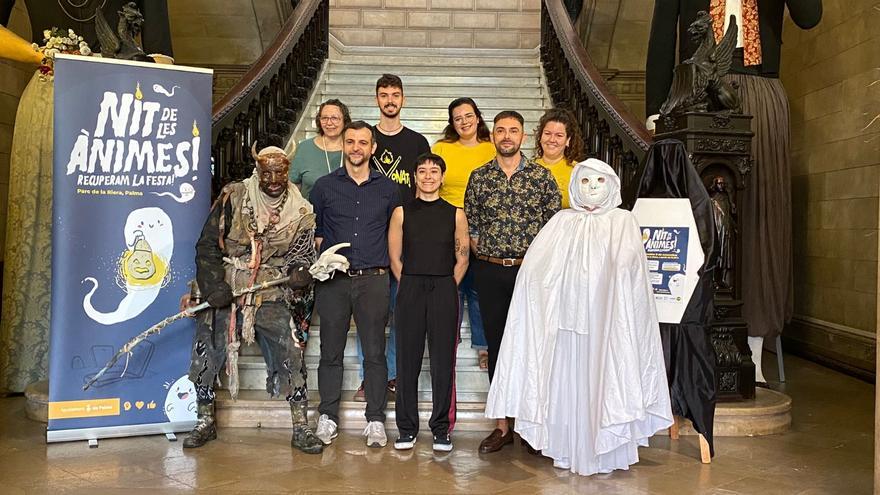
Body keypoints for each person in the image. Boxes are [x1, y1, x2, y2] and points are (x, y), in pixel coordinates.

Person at [646, 0, 823, 382]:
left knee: (761, 217)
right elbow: (662, 37)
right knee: (699, 222)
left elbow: (810, 17)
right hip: (697, 92)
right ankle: (689, 347)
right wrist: (654, 107)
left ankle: (754, 350)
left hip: (761, 91)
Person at [485, 158, 674, 475]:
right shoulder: (561, 221)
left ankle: (605, 449)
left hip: (607, 324)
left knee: (604, 378)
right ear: (574, 186)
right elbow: (536, 270)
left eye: (599, 181)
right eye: (585, 181)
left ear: (611, 185)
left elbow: (629, 267)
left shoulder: (622, 222)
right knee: (569, 382)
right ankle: (568, 447)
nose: (592, 188)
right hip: (566, 326)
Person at [184, 144, 324, 455]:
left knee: (290, 349)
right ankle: (204, 419)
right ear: (257, 171)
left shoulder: (302, 210)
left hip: (270, 289)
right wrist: (211, 286)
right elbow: (207, 246)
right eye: (267, 172)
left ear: (288, 171)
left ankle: (301, 427)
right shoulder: (234, 195)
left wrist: (300, 272)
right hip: (228, 284)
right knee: (207, 349)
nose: (274, 178)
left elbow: (301, 255)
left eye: (280, 172)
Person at [464, 110, 561, 454]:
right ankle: (502, 426)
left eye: (514, 130)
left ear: (523, 136)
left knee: (532, 346)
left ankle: (531, 426)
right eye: (501, 130)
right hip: (490, 272)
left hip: (530, 274)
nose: (507, 136)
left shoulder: (542, 178)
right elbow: (473, 228)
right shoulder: (479, 177)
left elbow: (554, 231)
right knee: (497, 347)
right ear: (493, 135)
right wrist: (491, 257)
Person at [311, 121, 401, 448]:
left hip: (375, 279)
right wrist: (318, 261)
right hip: (334, 280)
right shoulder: (323, 187)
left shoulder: (389, 189)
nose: (356, 148)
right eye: (351, 142)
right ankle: (327, 416)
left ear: (373, 147)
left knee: (375, 353)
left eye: (363, 142)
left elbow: (397, 233)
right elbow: (317, 231)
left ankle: (376, 419)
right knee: (330, 351)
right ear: (343, 146)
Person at [350, 74, 430, 401]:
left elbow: (424, 188)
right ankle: (370, 377)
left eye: (395, 94)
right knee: (368, 317)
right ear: (376, 99)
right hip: (368, 242)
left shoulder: (417, 143)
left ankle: (394, 376)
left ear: (403, 99)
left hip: (406, 241)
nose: (390, 100)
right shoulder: (364, 140)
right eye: (384, 94)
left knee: (401, 313)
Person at [388, 153, 470, 453]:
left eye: (434, 171)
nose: (428, 176)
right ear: (414, 177)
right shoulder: (401, 212)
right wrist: (409, 283)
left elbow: (462, 257)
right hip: (409, 286)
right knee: (406, 361)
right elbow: (395, 257)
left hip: (443, 289)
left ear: (442, 177)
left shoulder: (456, 213)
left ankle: (441, 430)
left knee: (442, 362)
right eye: (422, 171)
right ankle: (407, 429)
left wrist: (447, 285)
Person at [432, 97, 495, 370]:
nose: (464, 122)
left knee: (480, 289)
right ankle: (448, 339)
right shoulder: (442, 148)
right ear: (452, 123)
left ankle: (483, 345)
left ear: (478, 117)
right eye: (457, 118)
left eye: (468, 116)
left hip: (484, 225)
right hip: (447, 222)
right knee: (451, 285)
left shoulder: (492, 149)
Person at [288, 99, 351, 200]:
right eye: (324, 118)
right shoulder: (304, 148)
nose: (329, 123)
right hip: (311, 213)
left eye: (335, 118)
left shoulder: (353, 149)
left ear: (345, 121)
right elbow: (293, 186)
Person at [533, 108, 585, 209]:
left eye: (559, 135)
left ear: (568, 140)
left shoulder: (578, 171)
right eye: (547, 134)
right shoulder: (526, 168)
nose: (552, 140)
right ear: (540, 136)